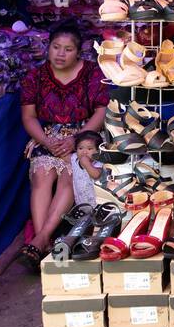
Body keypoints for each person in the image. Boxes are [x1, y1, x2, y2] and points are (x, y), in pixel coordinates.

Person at [18, 23, 109, 269]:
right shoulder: (35, 77)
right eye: (56, 47)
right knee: (41, 174)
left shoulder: (93, 73)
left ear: (78, 52)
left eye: (68, 49)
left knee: (69, 173)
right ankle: (42, 239)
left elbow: (101, 111)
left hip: (84, 135)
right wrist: (46, 140)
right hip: (47, 135)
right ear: (48, 48)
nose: (60, 54)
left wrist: (77, 139)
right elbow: (28, 117)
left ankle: (38, 242)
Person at [71, 131, 103, 210]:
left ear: (98, 151)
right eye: (80, 148)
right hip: (81, 200)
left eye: (89, 148)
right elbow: (64, 157)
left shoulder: (99, 163)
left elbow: (96, 175)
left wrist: (87, 164)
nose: (84, 152)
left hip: (96, 203)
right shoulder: (74, 158)